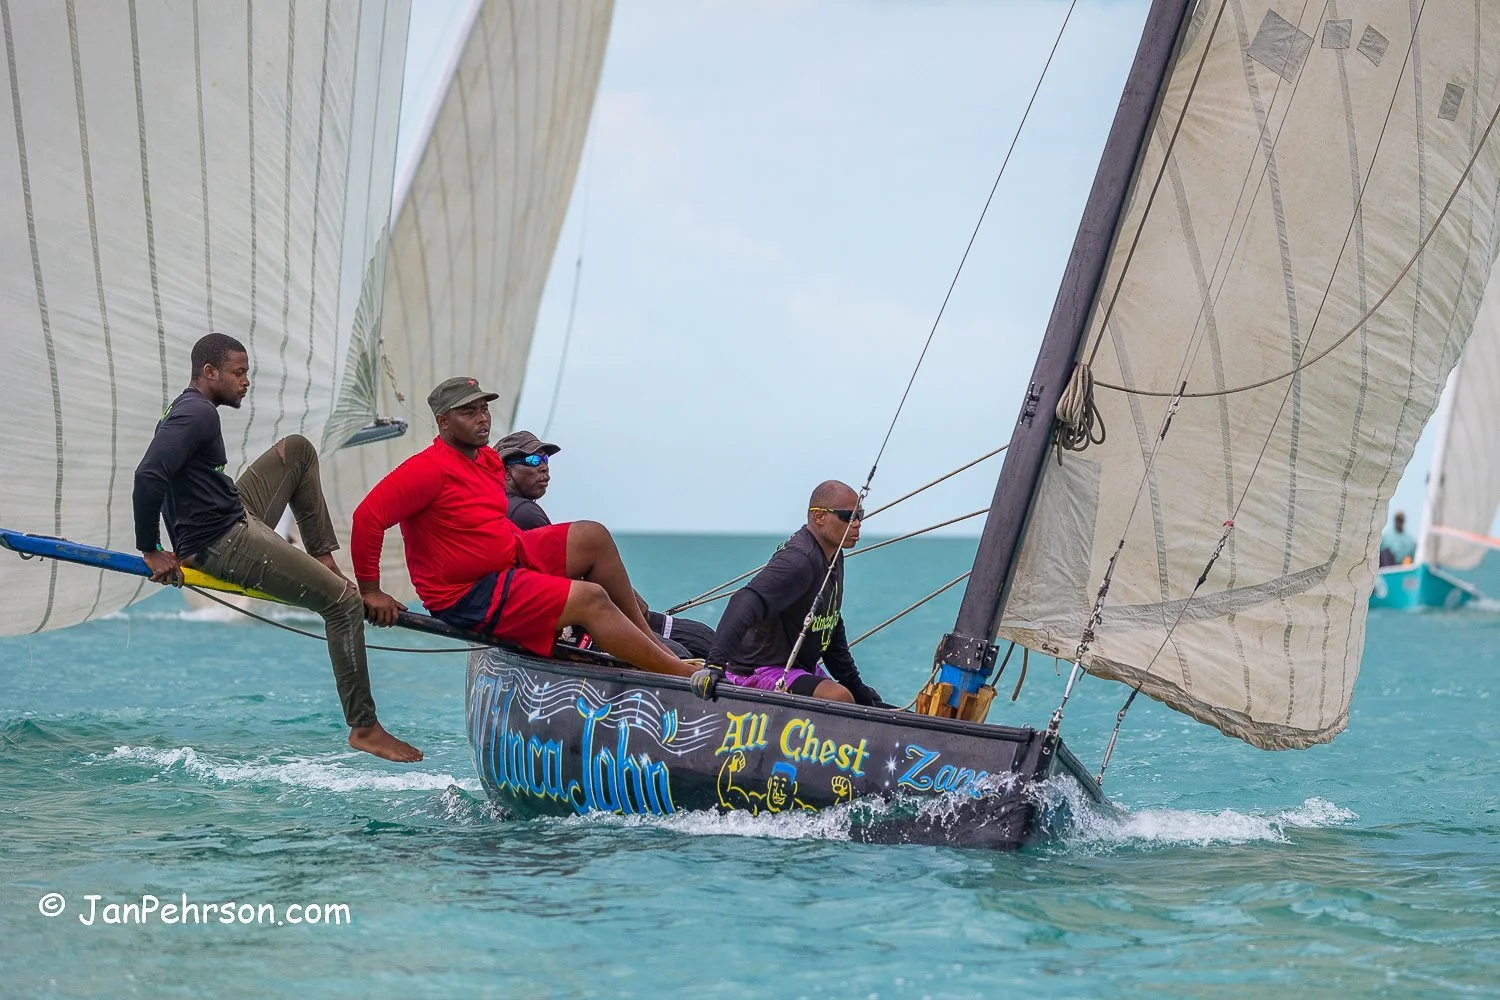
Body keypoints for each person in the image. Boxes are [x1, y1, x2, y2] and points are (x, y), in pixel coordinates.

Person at [133, 333, 421, 763]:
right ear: (209, 373)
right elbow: (148, 476)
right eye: (238, 373)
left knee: (298, 450)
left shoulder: (194, 408)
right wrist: (150, 548)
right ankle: (365, 727)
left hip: (233, 513)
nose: (245, 382)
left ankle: (326, 562)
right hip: (221, 541)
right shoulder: (197, 415)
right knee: (342, 605)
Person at [352, 379, 694, 679]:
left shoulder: (486, 459)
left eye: (483, 408)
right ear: (443, 421)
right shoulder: (427, 470)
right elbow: (368, 517)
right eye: (468, 412)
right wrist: (371, 590)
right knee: (590, 598)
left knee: (594, 536)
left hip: (509, 558)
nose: (482, 417)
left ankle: (653, 646)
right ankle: (676, 672)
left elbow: (480, 519)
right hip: (468, 593)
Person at [493, 429, 718, 660]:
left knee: (698, 640)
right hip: (582, 626)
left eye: (545, 459)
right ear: (506, 472)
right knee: (691, 648)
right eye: (532, 460)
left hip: (554, 623)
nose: (544, 467)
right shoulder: (525, 513)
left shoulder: (500, 509)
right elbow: (557, 583)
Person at [695, 480, 885, 705]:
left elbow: (829, 626)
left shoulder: (833, 555)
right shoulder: (798, 560)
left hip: (796, 667)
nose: (857, 524)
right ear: (819, 516)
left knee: (851, 695)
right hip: (757, 671)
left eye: (860, 515)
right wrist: (715, 665)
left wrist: (856, 686)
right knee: (839, 697)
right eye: (848, 516)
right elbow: (745, 600)